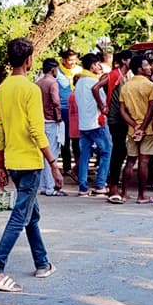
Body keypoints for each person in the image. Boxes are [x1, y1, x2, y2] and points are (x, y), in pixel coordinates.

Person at [0, 38, 62, 293]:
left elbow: (0, 129)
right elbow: (37, 131)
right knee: (20, 215)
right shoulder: (30, 90)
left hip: (14, 162)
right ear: (29, 60)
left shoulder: (3, 89)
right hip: (30, 162)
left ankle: (42, 262)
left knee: (30, 213)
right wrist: (54, 164)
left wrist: (1, 165)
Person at [118, 55, 153, 204]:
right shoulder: (151, 86)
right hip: (148, 129)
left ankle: (124, 193)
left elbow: (122, 111)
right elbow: (151, 109)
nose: (150, 67)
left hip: (132, 129)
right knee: (144, 162)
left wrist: (134, 126)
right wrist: (142, 127)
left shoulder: (126, 86)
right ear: (140, 69)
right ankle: (141, 196)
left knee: (130, 161)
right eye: (147, 65)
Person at [73, 53, 112, 196]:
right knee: (107, 150)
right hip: (96, 122)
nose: (99, 67)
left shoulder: (79, 83)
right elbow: (102, 101)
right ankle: (100, 184)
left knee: (84, 155)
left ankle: (82, 187)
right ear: (92, 66)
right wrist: (104, 108)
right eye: (96, 64)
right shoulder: (93, 82)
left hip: (83, 124)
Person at [94, 50, 131, 198]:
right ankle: (113, 186)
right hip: (115, 119)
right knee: (118, 152)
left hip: (120, 118)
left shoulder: (125, 76)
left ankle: (113, 186)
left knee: (120, 152)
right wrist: (102, 106)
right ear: (124, 60)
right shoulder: (115, 74)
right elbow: (95, 87)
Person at [36, 58, 66, 196]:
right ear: (53, 69)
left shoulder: (38, 83)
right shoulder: (52, 83)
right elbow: (55, 101)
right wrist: (58, 116)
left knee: (43, 154)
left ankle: (44, 185)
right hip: (51, 121)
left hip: (40, 121)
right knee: (52, 154)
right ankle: (51, 187)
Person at [56, 49, 81, 176]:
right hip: (63, 108)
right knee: (65, 139)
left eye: (74, 59)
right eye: (70, 60)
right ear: (64, 60)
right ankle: (67, 167)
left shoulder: (79, 71)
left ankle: (78, 165)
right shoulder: (57, 72)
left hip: (77, 109)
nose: (73, 62)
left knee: (77, 138)